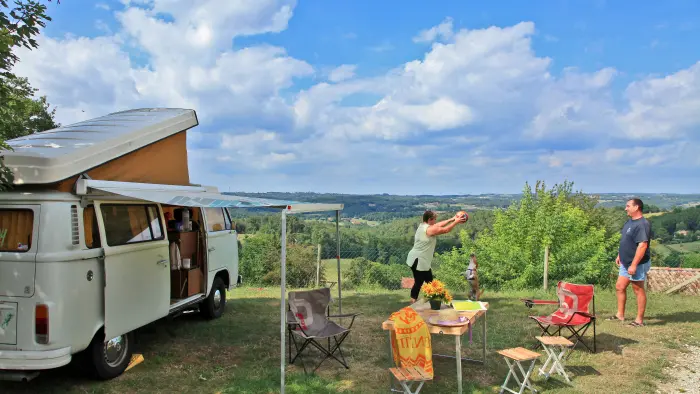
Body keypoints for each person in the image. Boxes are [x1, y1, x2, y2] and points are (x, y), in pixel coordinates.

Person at [406, 210, 467, 303]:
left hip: (421, 260)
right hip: (418, 260)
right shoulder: (429, 229)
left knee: (430, 282)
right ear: (430, 219)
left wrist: (452, 219)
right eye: (434, 219)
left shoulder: (423, 225)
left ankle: (434, 302)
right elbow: (445, 230)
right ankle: (412, 304)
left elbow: (438, 225)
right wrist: (456, 222)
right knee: (419, 283)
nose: (435, 221)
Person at [607, 198, 651, 327]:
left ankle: (639, 321)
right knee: (620, 287)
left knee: (638, 289)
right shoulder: (629, 222)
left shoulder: (642, 224)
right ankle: (620, 315)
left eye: (628, 206)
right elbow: (626, 241)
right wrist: (620, 255)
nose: (626, 208)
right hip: (625, 262)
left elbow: (642, 245)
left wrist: (634, 264)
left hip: (637, 263)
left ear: (636, 207)